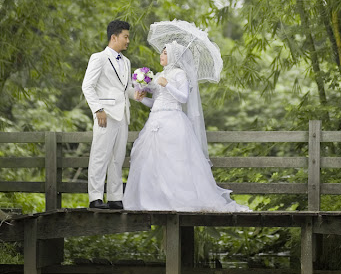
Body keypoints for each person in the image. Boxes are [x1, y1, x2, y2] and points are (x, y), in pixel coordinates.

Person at [123, 41, 250, 212]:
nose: (161, 55)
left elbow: (183, 98)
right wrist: (142, 99)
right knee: (153, 161)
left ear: (174, 56)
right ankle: (154, 200)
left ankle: (178, 200)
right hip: (155, 120)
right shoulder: (160, 73)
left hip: (173, 121)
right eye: (162, 52)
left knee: (174, 162)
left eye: (166, 53)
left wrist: (166, 83)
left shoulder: (179, 74)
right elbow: (155, 103)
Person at [82, 19, 138, 209]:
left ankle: (115, 197)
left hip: (122, 114)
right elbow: (87, 86)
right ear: (114, 37)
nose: (128, 41)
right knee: (100, 155)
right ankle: (95, 197)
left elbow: (126, 89)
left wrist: (138, 93)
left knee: (117, 157)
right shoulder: (98, 58)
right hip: (105, 114)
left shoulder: (127, 62)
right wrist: (98, 110)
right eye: (126, 37)